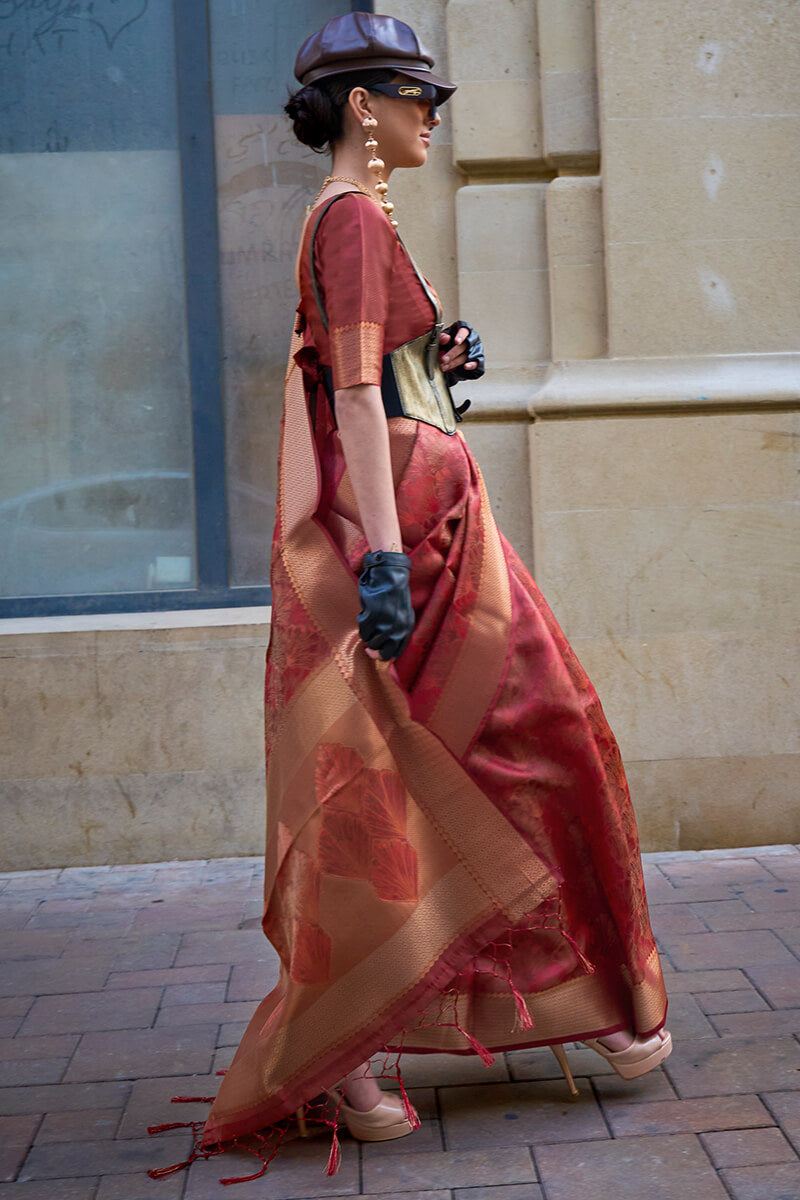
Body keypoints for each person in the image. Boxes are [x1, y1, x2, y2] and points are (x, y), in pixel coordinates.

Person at [149, 11, 671, 1186]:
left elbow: (385, 384)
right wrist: (383, 560)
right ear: (359, 108)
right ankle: (356, 1052)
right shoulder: (344, 217)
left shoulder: (364, 217)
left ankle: (535, 1013)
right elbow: (343, 400)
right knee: (486, 760)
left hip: (438, 533)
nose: (431, 113)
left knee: (469, 768)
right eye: (412, 94)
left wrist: (439, 365)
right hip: (422, 558)